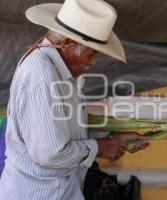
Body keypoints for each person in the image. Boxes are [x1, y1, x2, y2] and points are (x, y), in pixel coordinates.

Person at [0, 0, 149, 199]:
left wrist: (114, 139)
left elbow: (64, 133)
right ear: (68, 43)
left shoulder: (58, 70)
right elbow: (50, 154)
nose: (93, 61)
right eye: (92, 52)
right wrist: (101, 147)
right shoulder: (41, 74)